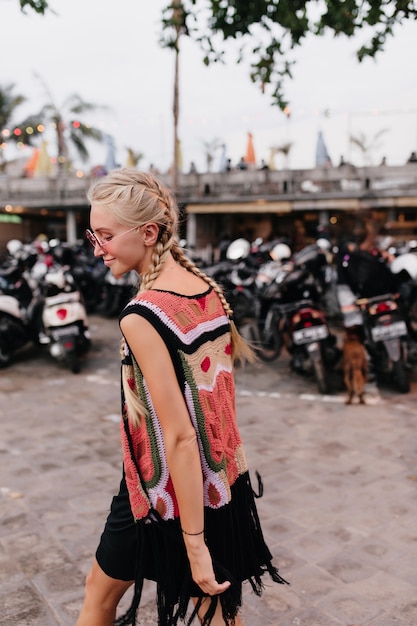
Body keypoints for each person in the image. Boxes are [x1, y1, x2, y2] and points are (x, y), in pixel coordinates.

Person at [76, 168, 288, 626]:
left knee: (100, 596)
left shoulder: (143, 315)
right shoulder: (205, 291)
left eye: (107, 235)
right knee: (215, 610)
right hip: (222, 479)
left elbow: (179, 437)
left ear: (148, 232)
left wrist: (194, 541)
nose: (97, 248)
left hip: (161, 493)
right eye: (94, 235)